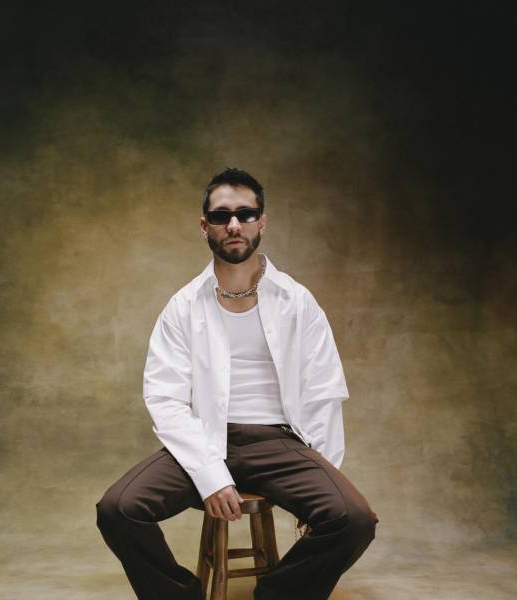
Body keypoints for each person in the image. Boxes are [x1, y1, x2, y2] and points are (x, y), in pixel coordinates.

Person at [96, 167, 378, 599]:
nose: (233, 224)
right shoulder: (183, 306)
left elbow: (324, 391)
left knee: (354, 519)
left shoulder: (297, 301)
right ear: (204, 226)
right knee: (117, 509)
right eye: (221, 215)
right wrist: (210, 474)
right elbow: (165, 399)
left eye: (245, 214)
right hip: (204, 437)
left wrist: (324, 475)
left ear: (261, 223)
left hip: (279, 443)